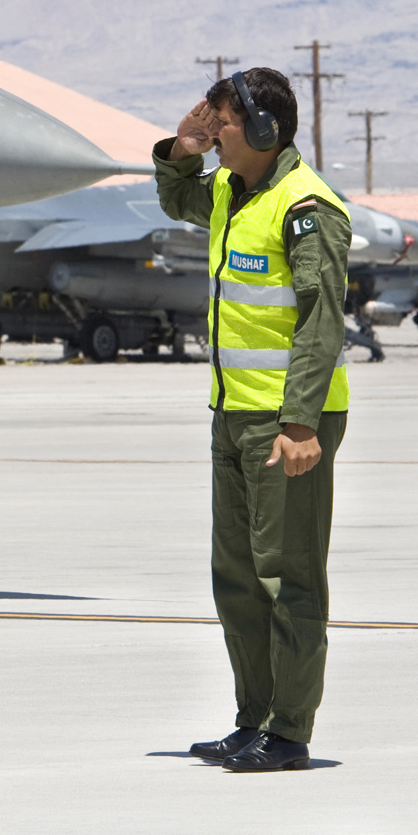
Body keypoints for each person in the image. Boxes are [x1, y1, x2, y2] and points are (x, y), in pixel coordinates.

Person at [154, 67, 352, 773]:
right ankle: (254, 719)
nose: (217, 131)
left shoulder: (306, 207)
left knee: (286, 576)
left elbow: (321, 322)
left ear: (266, 130)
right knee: (236, 574)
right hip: (234, 414)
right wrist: (183, 145)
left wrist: (299, 424)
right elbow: (179, 195)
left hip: (288, 421)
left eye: (226, 121)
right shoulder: (232, 195)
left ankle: (290, 730)